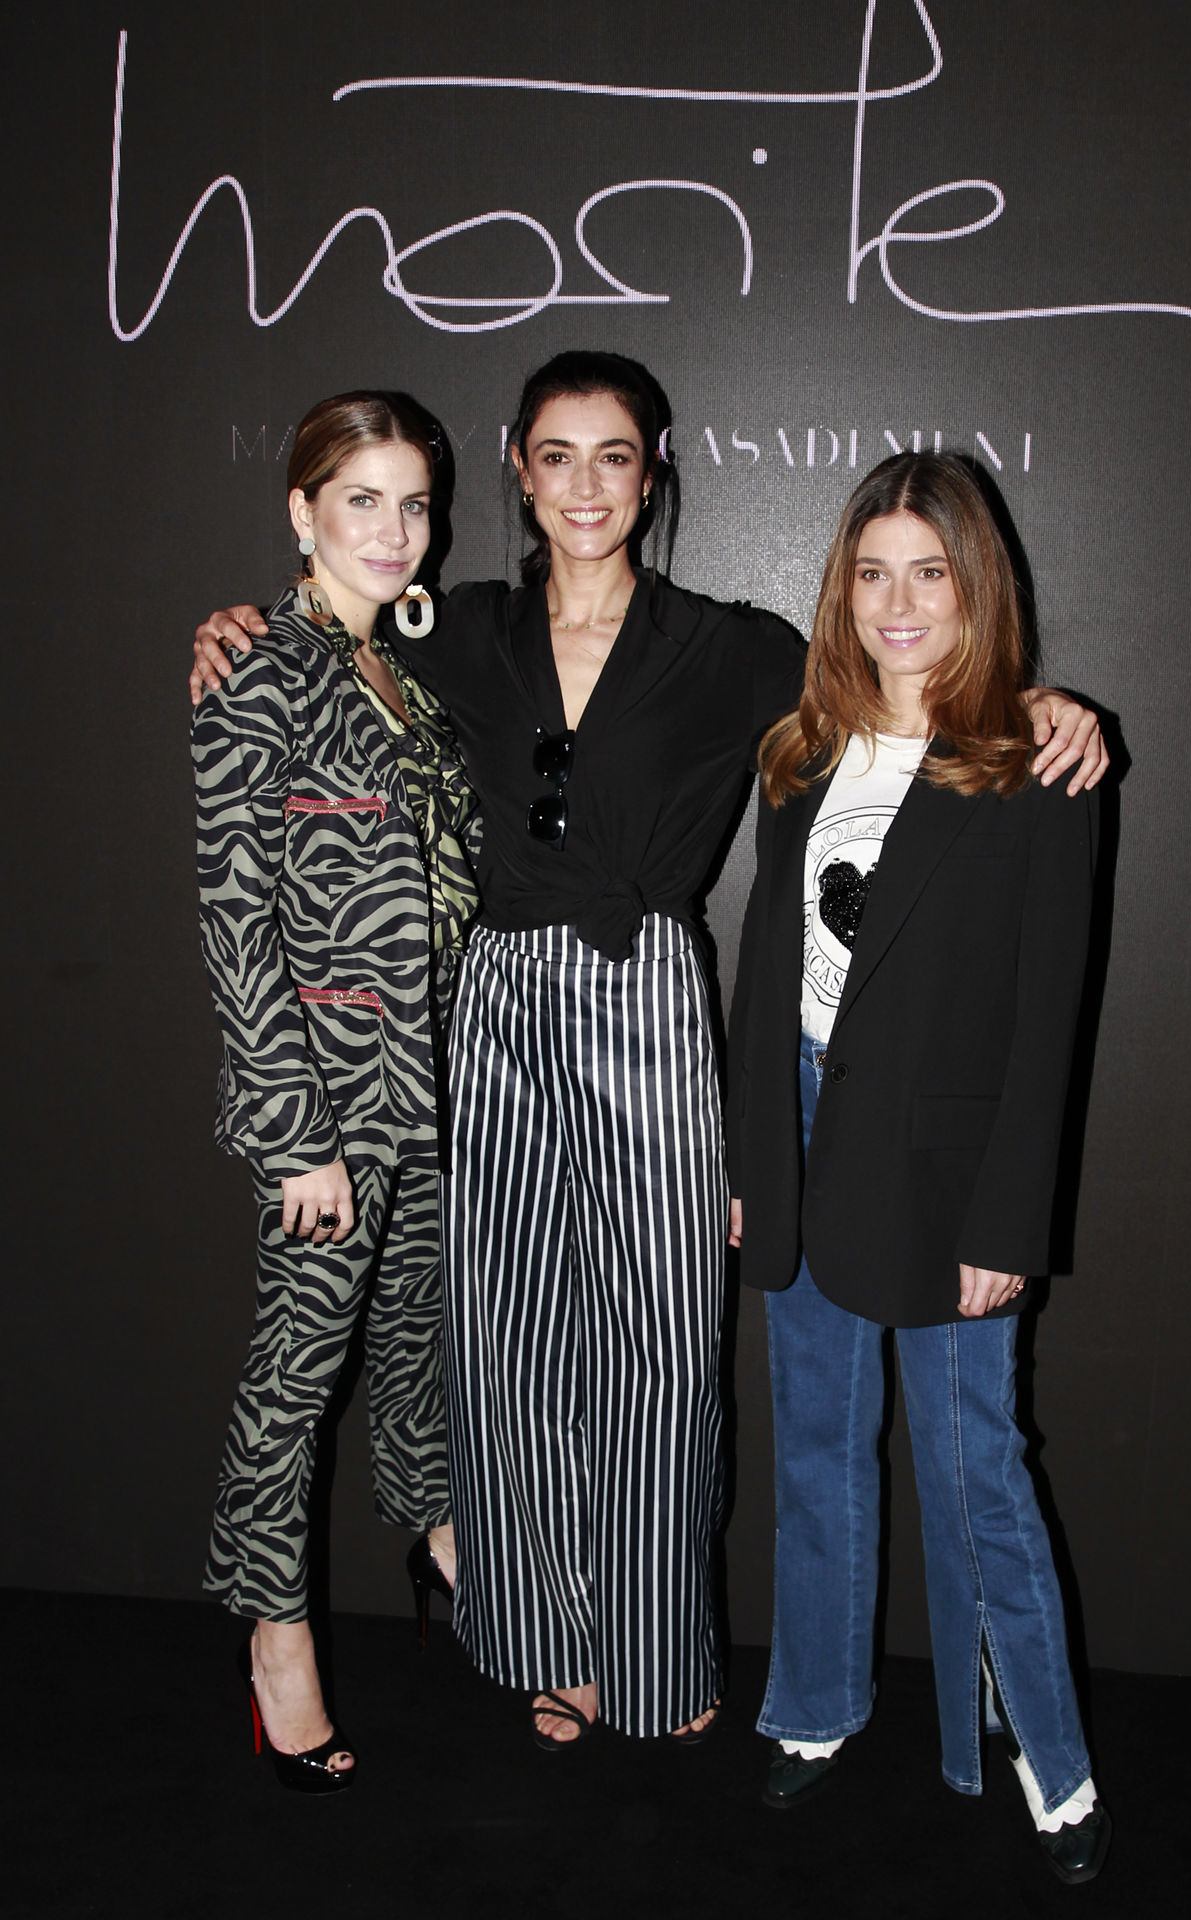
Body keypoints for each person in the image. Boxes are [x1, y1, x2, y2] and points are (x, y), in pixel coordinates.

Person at [190, 353, 1108, 1747]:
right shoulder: (455, 625)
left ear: (652, 471)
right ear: (519, 471)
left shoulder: (732, 646)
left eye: (613, 456)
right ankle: (541, 1642)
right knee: (511, 1352)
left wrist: (1045, 705)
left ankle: (656, 1653)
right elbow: (331, 635)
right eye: (556, 455)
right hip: (490, 1006)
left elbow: (902, 675)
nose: (585, 486)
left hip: (653, 1008)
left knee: (664, 1354)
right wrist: (239, 623)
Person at [726, 451, 1110, 1882]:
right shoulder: (799, 752)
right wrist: (756, 1160)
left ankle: (1046, 1761)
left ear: (975, 587)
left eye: (929, 574)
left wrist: (1009, 1217)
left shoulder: (1038, 762)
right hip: (804, 1135)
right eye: (873, 573)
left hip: (948, 1173)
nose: (898, 604)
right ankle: (815, 1708)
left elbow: (1050, 1016)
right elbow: (768, 972)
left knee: (975, 1469)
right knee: (816, 1452)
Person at [193, 391, 479, 1791]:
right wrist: (292, 1131)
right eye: (363, 499)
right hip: (329, 1106)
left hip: (438, 1090)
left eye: (414, 503)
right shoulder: (259, 671)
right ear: (302, 511)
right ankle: (274, 1635)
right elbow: (235, 916)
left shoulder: (411, 680)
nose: (394, 530)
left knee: (419, 1346)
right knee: (296, 1377)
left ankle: (436, 1534)